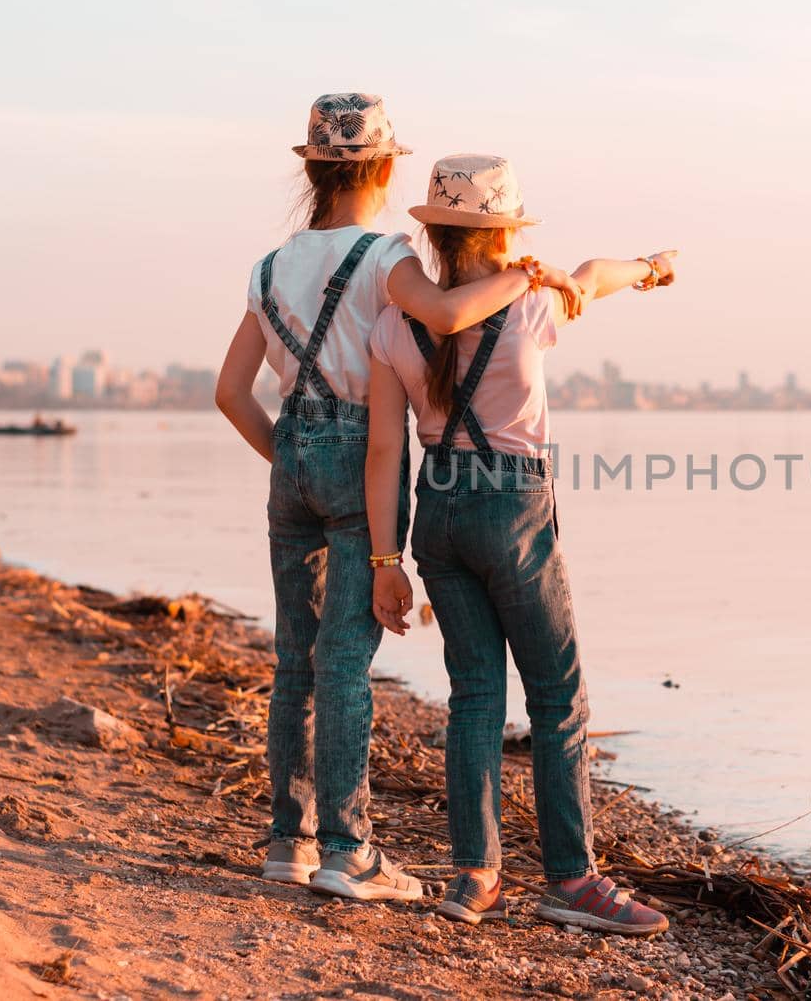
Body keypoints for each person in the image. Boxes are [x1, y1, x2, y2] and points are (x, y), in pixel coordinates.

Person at [215, 97, 584, 902]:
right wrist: (530, 271)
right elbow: (451, 314)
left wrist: (293, 457)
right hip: (360, 455)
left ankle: (289, 840)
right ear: (384, 170)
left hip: (292, 463)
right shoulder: (386, 257)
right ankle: (348, 848)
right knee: (344, 658)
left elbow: (230, 392)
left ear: (312, 168)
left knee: (293, 657)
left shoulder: (269, 266)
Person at [364, 153, 676, 934]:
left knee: (474, 693)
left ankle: (475, 875)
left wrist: (385, 561)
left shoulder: (390, 322)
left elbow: (382, 453)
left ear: (434, 235)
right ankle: (571, 879)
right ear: (503, 233)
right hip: (513, 504)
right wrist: (650, 268)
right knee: (557, 697)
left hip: (434, 508)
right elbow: (595, 275)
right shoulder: (533, 300)